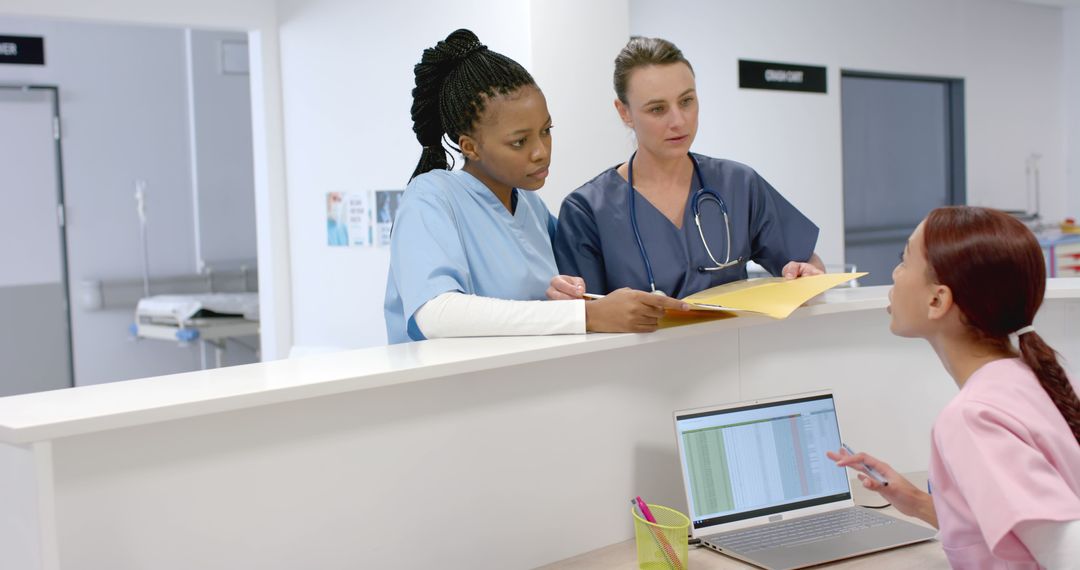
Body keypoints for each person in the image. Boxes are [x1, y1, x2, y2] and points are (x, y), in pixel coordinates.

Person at [384, 29, 687, 344]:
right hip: (450, 391)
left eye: (546, 131)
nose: (541, 150)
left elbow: (566, 287)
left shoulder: (530, 206)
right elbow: (436, 314)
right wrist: (587, 316)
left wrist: (575, 295)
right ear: (470, 147)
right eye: (519, 141)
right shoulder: (430, 197)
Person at [828, 207, 1080, 568]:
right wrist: (915, 501)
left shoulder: (973, 418)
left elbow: (1066, 552)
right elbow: (1014, 532)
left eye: (903, 260)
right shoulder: (1038, 377)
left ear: (938, 300)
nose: (895, 275)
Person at [550, 37, 824, 301]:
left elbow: (803, 260)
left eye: (686, 101)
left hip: (737, 346)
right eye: (657, 109)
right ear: (624, 112)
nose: (679, 121)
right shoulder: (587, 211)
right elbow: (587, 315)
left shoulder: (739, 184)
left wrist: (807, 272)